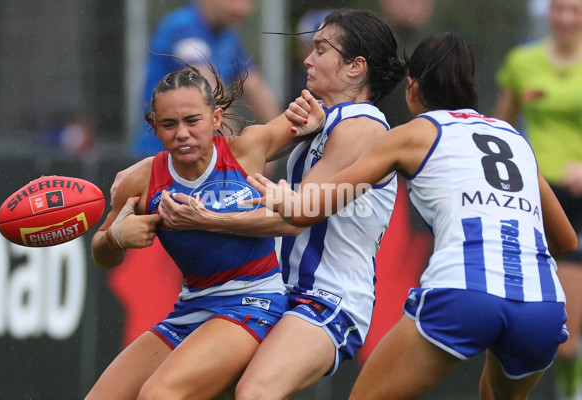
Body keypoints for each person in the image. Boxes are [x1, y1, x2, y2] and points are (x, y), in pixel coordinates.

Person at [247, 32, 578, 399]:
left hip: (463, 292)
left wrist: (280, 195)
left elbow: (311, 209)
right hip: (542, 305)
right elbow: (566, 241)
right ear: (471, 87)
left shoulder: (411, 135)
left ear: (413, 88)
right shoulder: (514, 138)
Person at [151, 9, 406, 398]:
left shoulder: (362, 126)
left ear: (357, 66)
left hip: (326, 299)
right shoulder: (325, 120)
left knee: (254, 392)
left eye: (321, 49)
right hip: (278, 293)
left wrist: (207, 219)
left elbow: (293, 218)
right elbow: (230, 150)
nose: (308, 58)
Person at [85, 63, 319, 400]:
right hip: (192, 308)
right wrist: (116, 238)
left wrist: (316, 119)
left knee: (159, 396)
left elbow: (316, 110)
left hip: (253, 302)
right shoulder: (140, 181)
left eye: (192, 120)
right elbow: (101, 255)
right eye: (168, 124)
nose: (181, 133)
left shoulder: (247, 149)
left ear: (216, 118)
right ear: (154, 127)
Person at [494, 0, 582, 397]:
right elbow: (501, 129)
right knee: (559, 333)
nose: (565, 18)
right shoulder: (523, 61)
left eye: (575, 10)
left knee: (566, 333)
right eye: (559, 9)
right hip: (543, 204)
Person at [130, 0, 281, 158]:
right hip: (160, 155)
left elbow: (254, 86)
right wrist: (239, 151)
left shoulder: (228, 36)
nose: (243, 9)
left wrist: (281, 138)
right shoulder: (183, 26)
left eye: (248, 2)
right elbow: (208, 86)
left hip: (197, 157)